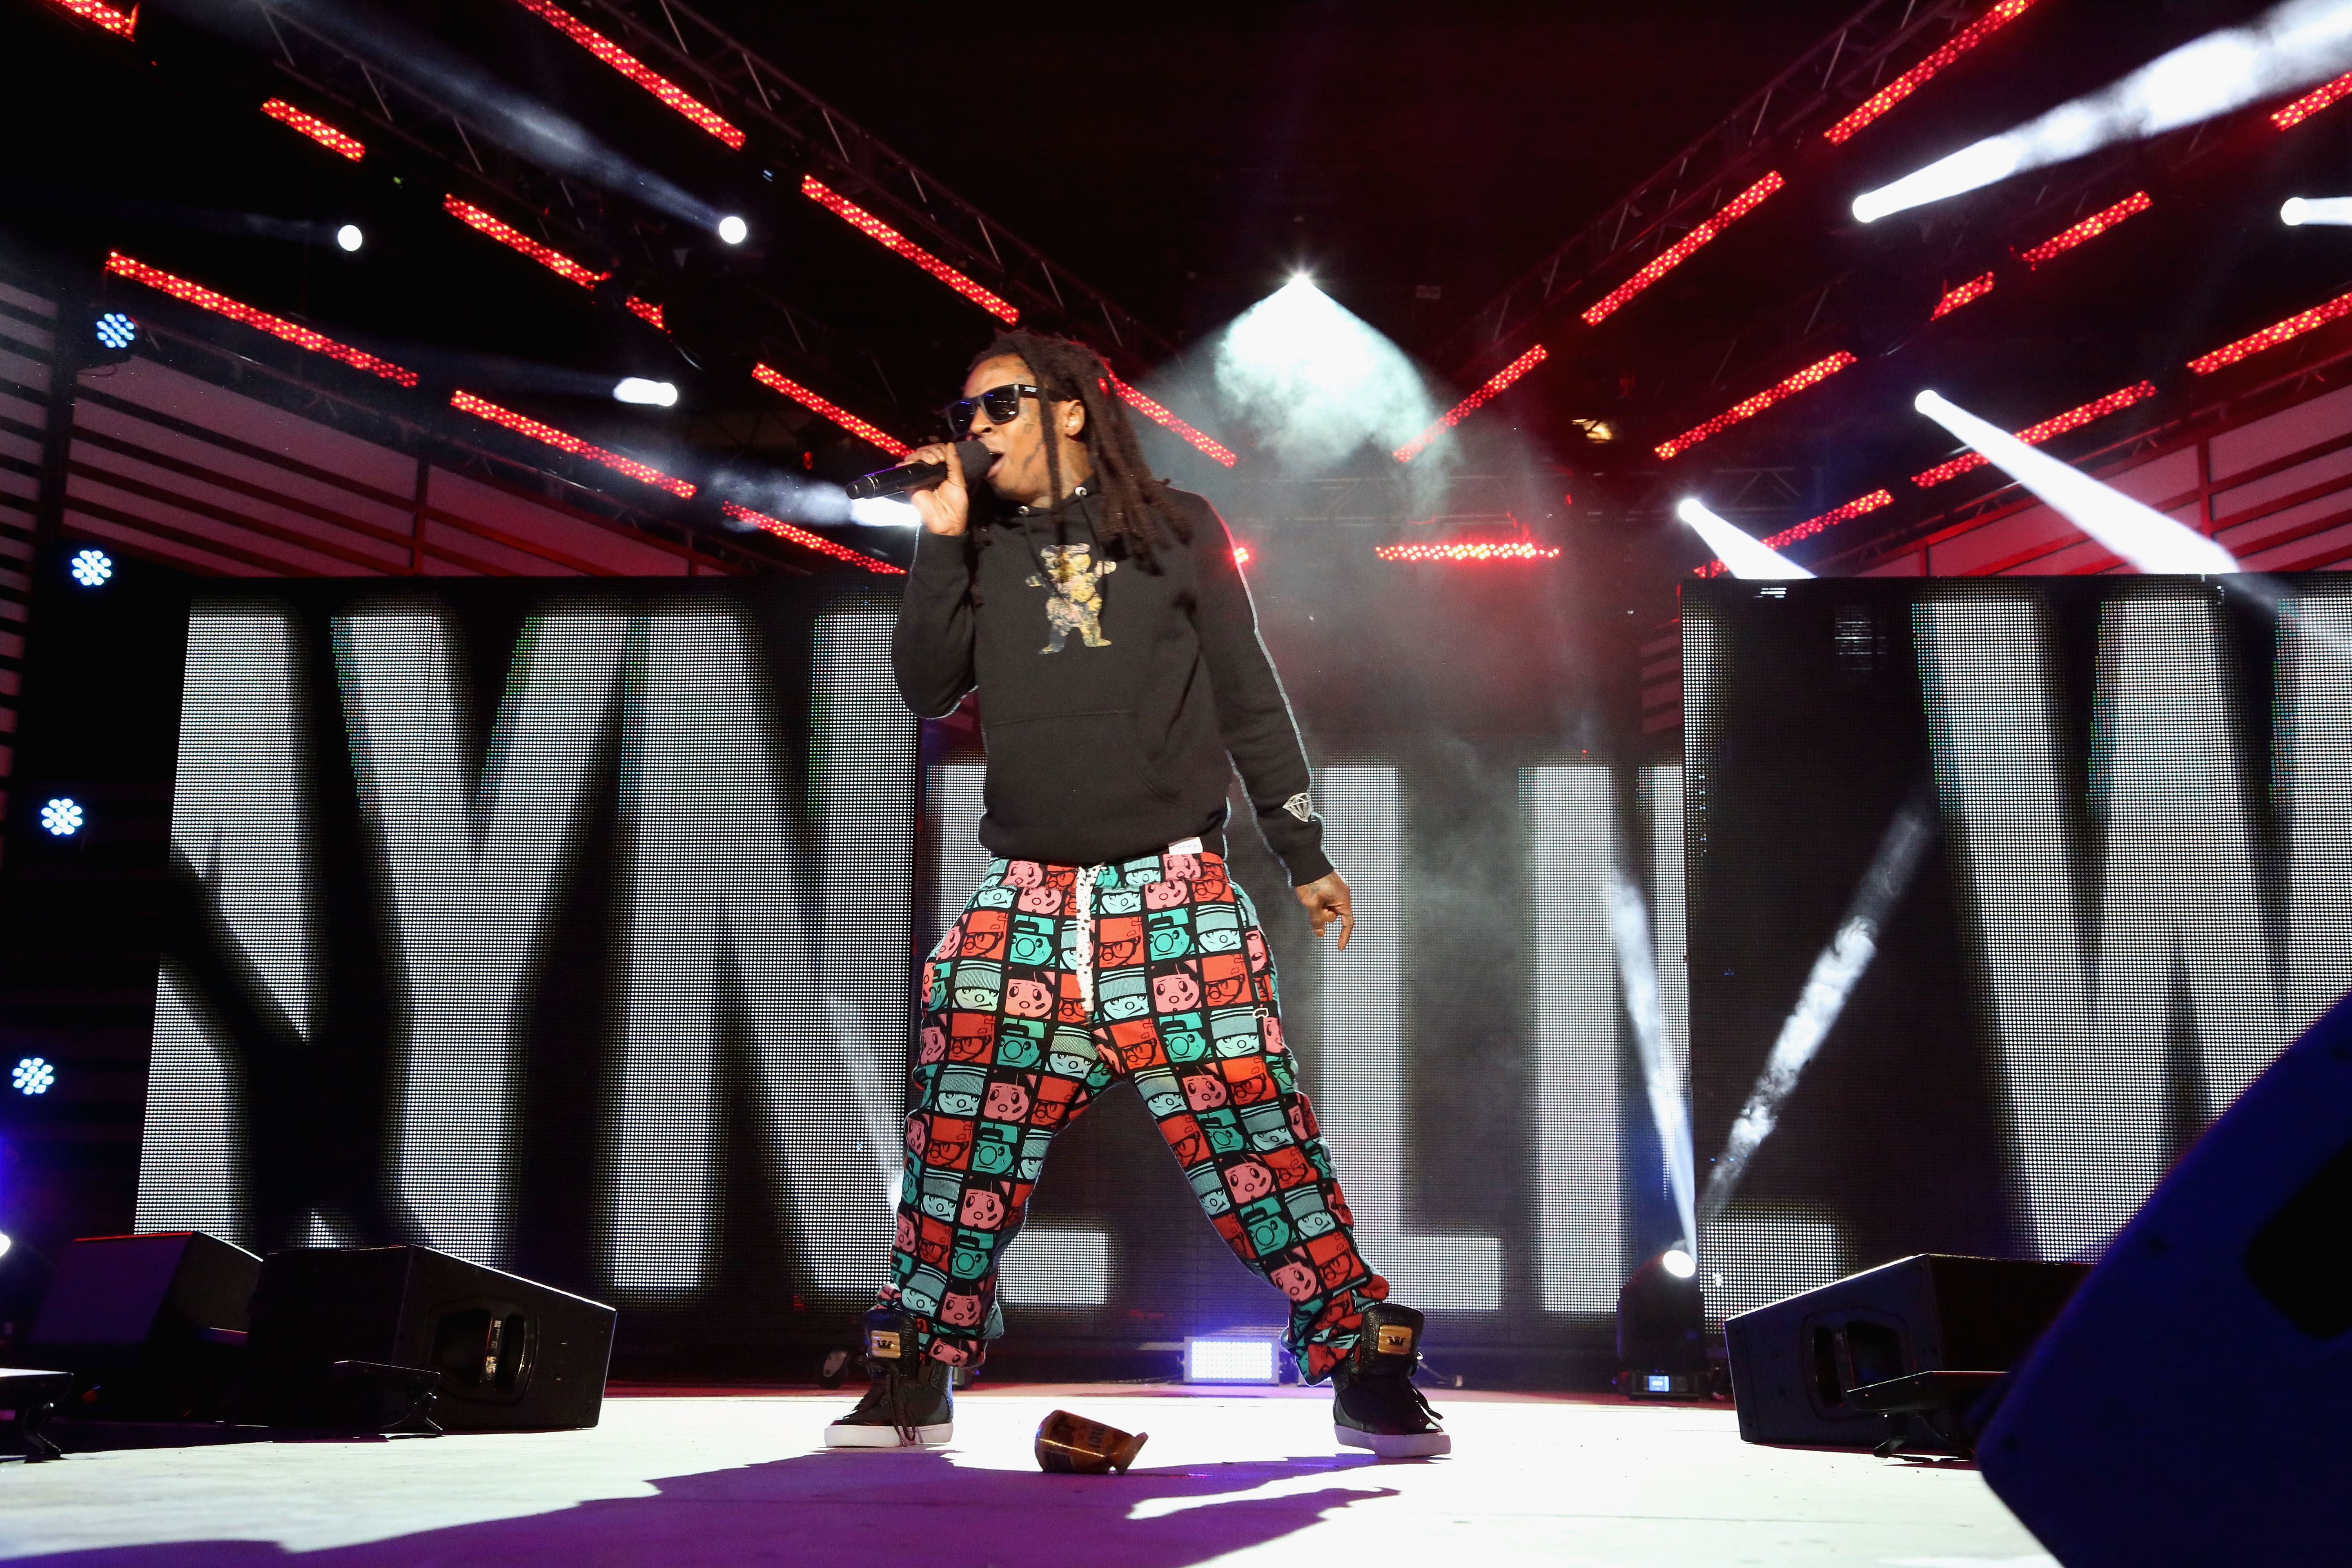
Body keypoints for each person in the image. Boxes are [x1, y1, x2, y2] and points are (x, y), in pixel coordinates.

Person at [823, 330, 1447, 1459]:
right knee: (958, 1142)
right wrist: (940, 540)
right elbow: (926, 684)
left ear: (1070, 409)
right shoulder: (978, 540)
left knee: (1255, 1135)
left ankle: (1363, 1360)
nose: (974, 431)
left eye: (998, 407)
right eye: (963, 415)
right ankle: (917, 1363)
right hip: (1025, 900)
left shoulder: (1178, 527)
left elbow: (1249, 694)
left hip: (1171, 894)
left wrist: (1302, 851)